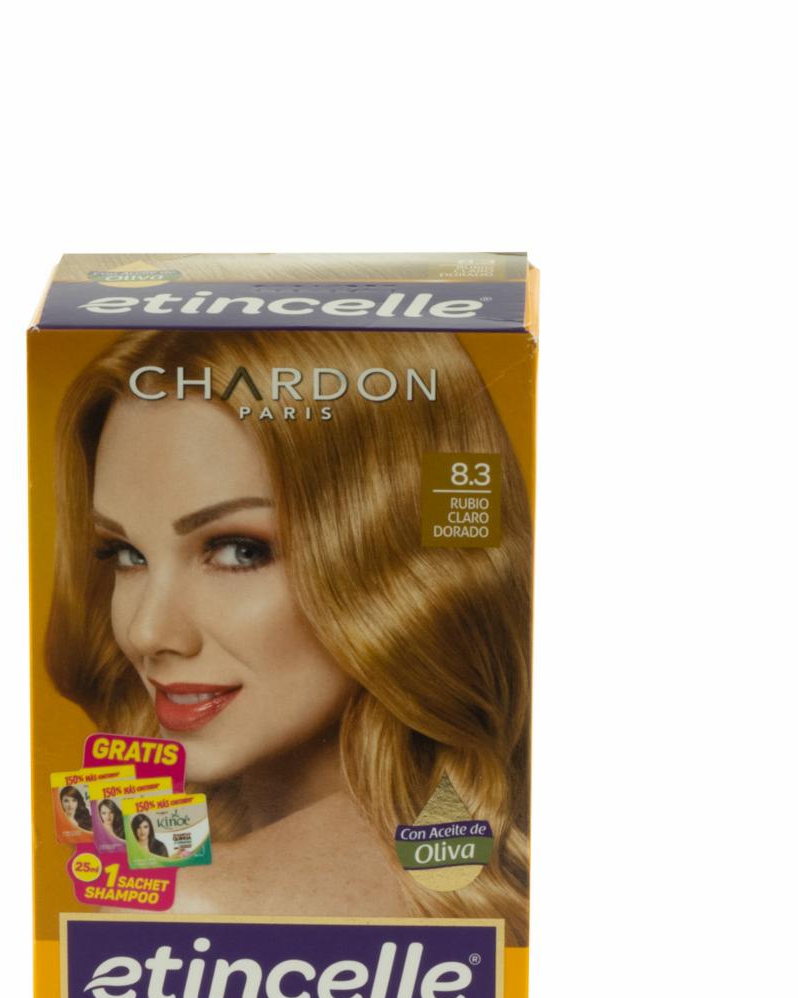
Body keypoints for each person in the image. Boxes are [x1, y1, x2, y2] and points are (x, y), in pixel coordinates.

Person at [45, 327, 531, 940]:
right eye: (125, 554)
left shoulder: (185, 901)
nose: (146, 633)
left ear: (396, 567)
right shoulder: (494, 854)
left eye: (239, 550)